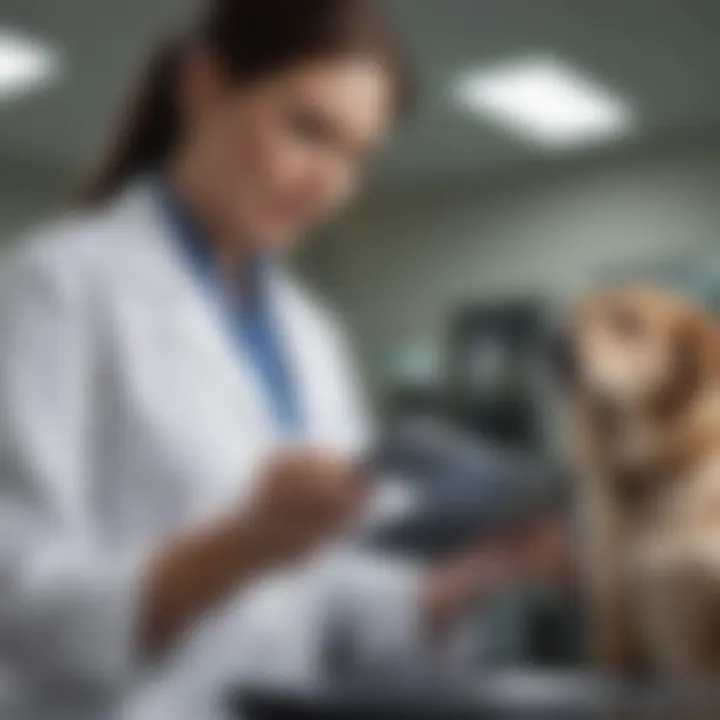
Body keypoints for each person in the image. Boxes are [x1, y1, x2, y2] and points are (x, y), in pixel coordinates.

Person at [0, 1, 568, 718]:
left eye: (357, 158)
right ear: (204, 87)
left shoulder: (313, 334)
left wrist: (485, 573)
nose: (329, 184)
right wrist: (236, 547)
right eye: (308, 129)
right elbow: (17, 596)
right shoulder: (54, 286)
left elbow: (314, 597)